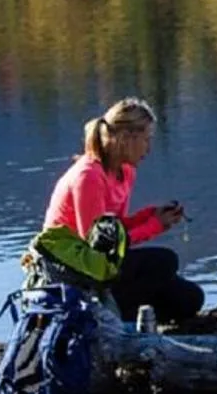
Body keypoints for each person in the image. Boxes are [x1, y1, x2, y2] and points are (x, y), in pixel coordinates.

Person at [37, 97, 205, 326]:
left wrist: (151, 216)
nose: (149, 148)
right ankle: (111, 320)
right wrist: (155, 226)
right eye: (146, 140)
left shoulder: (124, 172)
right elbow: (97, 247)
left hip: (102, 264)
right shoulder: (88, 177)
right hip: (74, 269)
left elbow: (116, 229)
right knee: (165, 261)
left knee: (189, 298)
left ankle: (126, 314)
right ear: (126, 139)